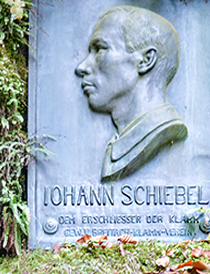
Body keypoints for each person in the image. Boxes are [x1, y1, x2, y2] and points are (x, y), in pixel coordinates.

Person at [75, 4, 187, 183]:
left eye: (100, 50)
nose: (82, 67)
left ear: (145, 60)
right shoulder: (118, 146)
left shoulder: (160, 134)